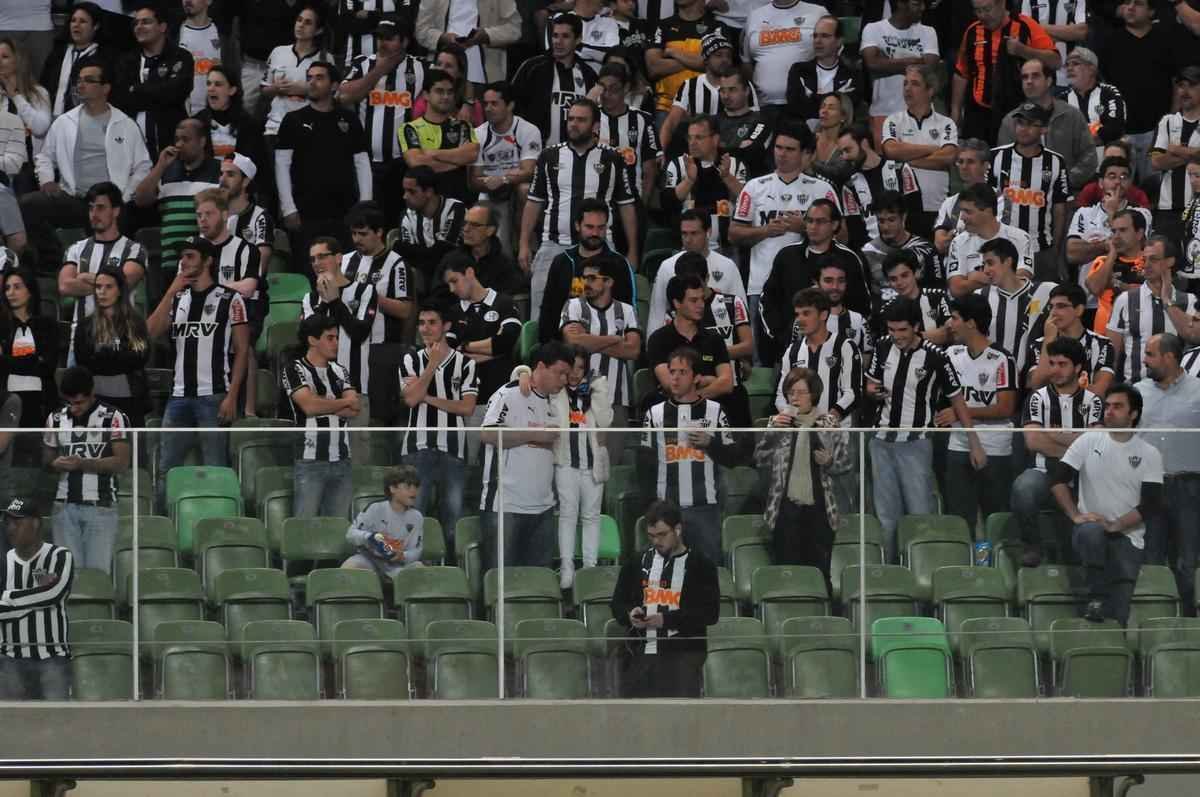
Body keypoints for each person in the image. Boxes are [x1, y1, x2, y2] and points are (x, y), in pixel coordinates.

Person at [867, 297, 981, 562]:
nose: (896, 336)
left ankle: (922, 570)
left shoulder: (936, 356)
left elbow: (957, 400)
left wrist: (974, 442)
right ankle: (890, 570)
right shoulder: (882, 346)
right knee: (886, 515)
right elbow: (870, 384)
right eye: (892, 330)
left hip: (916, 442)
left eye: (902, 330)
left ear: (917, 326)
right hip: (880, 441)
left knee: (920, 512)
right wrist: (873, 392)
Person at [146, 236, 249, 513]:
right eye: (182, 256)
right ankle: (164, 523)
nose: (183, 262)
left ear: (208, 261)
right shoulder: (177, 298)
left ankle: (218, 523)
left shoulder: (230, 299)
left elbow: (242, 351)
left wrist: (232, 396)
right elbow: (149, 333)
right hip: (178, 396)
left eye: (190, 256)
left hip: (213, 396)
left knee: (216, 468)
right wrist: (170, 292)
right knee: (167, 469)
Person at [1051, 383, 1162, 625]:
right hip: (1090, 529)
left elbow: (1151, 504)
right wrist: (1075, 516)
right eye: (1108, 406)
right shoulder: (1088, 441)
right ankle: (1096, 598)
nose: (1109, 411)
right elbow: (1058, 480)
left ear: (1133, 414)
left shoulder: (1150, 453)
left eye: (1117, 406)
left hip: (1129, 536)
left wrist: (1116, 524)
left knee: (1119, 615)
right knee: (1092, 532)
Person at [24, 59, 149, 268]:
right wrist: (46, 180)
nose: (81, 85)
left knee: (117, 228)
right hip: (73, 198)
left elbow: (143, 166)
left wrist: (125, 196)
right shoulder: (64, 121)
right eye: (79, 80)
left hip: (111, 201)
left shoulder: (126, 124)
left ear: (105, 88)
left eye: (89, 80)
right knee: (28, 205)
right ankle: (54, 262)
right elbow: (45, 156)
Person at [521, 98, 637, 322]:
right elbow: (534, 202)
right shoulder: (548, 156)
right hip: (553, 245)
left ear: (596, 126)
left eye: (581, 120)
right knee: (542, 315)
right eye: (571, 119)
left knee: (595, 314)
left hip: (599, 249)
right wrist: (524, 243)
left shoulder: (612, 158)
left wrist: (632, 250)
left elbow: (626, 205)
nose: (574, 124)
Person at [729, 123, 840, 355]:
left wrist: (805, 228)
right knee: (764, 357)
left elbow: (843, 235)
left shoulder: (822, 189)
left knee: (816, 353)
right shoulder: (754, 187)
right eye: (778, 147)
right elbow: (734, 233)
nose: (782, 154)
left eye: (789, 149)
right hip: (762, 285)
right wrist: (765, 231)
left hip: (810, 286)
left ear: (805, 153)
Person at [610, 497, 720, 699]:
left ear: (677, 530)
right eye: (651, 536)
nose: (656, 541)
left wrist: (665, 620)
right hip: (640, 655)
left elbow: (710, 613)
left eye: (662, 535)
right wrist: (630, 614)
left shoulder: (701, 565)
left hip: (684, 655)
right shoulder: (636, 562)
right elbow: (617, 603)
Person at [640, 346, 739, 565]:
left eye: (682, 372)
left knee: (707, 569)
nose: (674, 378)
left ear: (697, 377)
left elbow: (733, 457)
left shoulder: (716, 411)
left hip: (705, 508)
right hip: (666, 509)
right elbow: (645, 465)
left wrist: (710, 443)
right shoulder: (654, 414)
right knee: (666, 570)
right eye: (672, 371)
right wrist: (651, 507)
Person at [478, 341, 572, 572]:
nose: (564, 380)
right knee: (500, 579)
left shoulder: (559, 402)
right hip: (505, 505)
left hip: (544, 507)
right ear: (540, 367)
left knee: (538, 582)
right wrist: (534, 434)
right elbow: (487, 433)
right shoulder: (509, 394)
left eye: (567, 375)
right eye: (559, 373)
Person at [1013, 336, 1104, 568]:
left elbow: (1096, 444)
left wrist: (1054, 434)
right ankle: (1032, 545)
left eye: (1062, 364)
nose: (1055, 370)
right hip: (1043, 471)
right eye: (1051, 363)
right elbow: (1034, 441)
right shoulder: (1037, 398)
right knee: (1024, 488)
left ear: (1078, 367)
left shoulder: (1093, 401)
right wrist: (1076, 441)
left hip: (1082, 475)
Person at [399, 301, 478, 561]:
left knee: (453, 518)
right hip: (417, 448)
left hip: (453, 449)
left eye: (432, 323)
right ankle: (410, 570)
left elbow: (467, 407)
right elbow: (411, 400)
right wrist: (432, 366)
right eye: (421, 323)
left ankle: (452, 571)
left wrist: (427, 397)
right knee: (413, 516)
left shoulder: (465, 364)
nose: (425, 328)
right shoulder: (411, 359)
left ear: (446, 326)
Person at [276, 60, 372, 274]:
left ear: (334, 85)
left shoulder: (349, 120)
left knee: (345, 270)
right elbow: (281, 166)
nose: (312, 82)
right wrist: (288, 208)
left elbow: (362, 162)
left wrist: (365, 204)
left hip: (344, 211)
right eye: (309, 78)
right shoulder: (293, 120)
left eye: (319, 78)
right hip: (306, 211)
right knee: (309, 270)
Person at [757, 366, 847, 580]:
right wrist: (772, 431)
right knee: (787, 574)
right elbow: (760, 459)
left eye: (801, 392)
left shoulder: (828, 423)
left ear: (813, 394)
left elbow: (845, 464)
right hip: (785, 510)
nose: (794, 398)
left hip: (820, 510)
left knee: (819, 574)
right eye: (790, 393)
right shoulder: (778, 423)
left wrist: (829, 462)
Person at [942, 294, 1018, 536]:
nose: (950, 324)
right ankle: (966, 560)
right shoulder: (952, 354)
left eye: (955, 318)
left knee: (994, 516)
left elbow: (1005, 408)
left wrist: (960, 412)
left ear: (971, 323)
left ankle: (993, 559)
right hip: (958, 443)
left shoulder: (1002, 358)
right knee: (958, 517)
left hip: (994, 446)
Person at [337, 14, 424, 225]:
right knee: (368, 220)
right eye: (380, 37)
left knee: (400, 221)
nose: (382, 43)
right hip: (367, 162)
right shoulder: (363, 63)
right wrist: (378, 71)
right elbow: (344, 95)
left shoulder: (421, 67)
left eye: (389, 38)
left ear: (405, 41)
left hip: (403, 163)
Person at [757, 200, 870, 363]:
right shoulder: (786, 256)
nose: (813, 226)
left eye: (820, 221)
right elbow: (767, 301)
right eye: (809, 221)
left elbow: (863, 304)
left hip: (840, 352)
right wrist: (781, 336)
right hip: (791, 351)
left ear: (834, 224)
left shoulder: (849, 259)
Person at [42, 365, 130, 574]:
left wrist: (82, 464)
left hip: (101, 506)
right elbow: (46, 460)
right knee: (67, 576)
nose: (74, 408)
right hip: (63, 506)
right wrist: (54, 464)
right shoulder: (55, 418)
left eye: (79, 403)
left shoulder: (114, 417)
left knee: (97, 576)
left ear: (92, 393)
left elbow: (122, 463)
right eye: (69, 403)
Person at [1135, 333, 1200, 614]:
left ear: (1170, 357)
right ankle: (1155, 619)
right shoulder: (1137, 392)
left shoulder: (1199, 391)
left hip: (1190, 485)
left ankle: (1190, 620)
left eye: (1150, 354)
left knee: (1188, 559)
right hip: (1149, 486)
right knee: (1151, 558)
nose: (1144, 360)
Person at [1097, 0, 1192, 185]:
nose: (1130, 7)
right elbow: (1103, 87)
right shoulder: (1110, 42)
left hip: (1157, 132)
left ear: (1151, 11)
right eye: (1127, 3)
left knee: (1157, 185)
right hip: (1122, 133)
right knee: (1119, 187)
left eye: (1138, 3)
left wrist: (1171, 119)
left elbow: (1176, 83)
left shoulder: (1165, 40)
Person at [561, 254, 642, 461]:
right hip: (578, 396)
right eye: (583, 278)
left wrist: (589, 339)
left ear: (608, 282)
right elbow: (573, 342)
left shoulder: (626, 310)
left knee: (610, 464)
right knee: (578, 460)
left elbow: (633, 351)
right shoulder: (574, 305)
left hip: (617, 398)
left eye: (592, 278)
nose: (585, 283)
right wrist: (614, 339)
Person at [443, 253, 521, 461]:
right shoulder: (454, 312)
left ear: (469, 273)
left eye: (454, 281)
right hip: (469, 399)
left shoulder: (503, 302)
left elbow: (507, 340)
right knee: (469, 463)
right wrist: (493, 350)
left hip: (502, 397)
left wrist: (467, 345)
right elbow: (449, 352)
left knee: (502, 461)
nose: (452, 289)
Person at [58, 182, 146, 367]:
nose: (94, 214)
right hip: (80, 342)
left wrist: (84, 278)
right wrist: (110, 283)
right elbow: (65, 286)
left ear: (116, 211)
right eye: (91, 208)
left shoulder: (134, 249)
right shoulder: (76, 249)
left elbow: (125, 281)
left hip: (120, 342)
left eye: (100, 207)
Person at [195, 188, 265, 417]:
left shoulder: (246, 249)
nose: (203, 220)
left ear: (224, 215)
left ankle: (248, 411)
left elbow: (249, 286)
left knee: (242, 342)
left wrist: (211, 290)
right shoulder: (192, 249)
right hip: (202, 313)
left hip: (240, 311)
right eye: (199, 215)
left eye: (209, 214)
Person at [302, 234, 377, 446]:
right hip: (318, 393)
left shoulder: (365, 290)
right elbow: (309, 337)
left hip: (355, 389)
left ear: (338, 258)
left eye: (322, 256)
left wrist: (335, 301)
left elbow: (359, 333)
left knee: (358, 458)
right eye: (312, 259)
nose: (316, 263)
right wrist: (324, 302)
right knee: (322, 456)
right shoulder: (310, 299)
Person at [282, 314, 359, 519]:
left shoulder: (340, 370)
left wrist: (321, 402)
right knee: (304, 526)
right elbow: (309, 407)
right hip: (310, 461)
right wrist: (341, 402)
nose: (336, 343)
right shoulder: (294, 369)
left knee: (338, 527)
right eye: (330, 338)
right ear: (312, 340)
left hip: (343, 460)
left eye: (337, 338)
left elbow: (354, 408)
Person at [950, 0, 1059, 144]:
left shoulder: (1025, 25)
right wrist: (956, 110)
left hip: (1018, 113)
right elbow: (961, 73)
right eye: (977, 10)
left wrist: (1023, 50)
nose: (982, 15)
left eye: (987, 9)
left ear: (1002, 3)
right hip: (978, 112)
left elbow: (1055, 61)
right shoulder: (972, 31)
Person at [549, 345, 613, 588]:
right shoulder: (556, 391)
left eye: (580, 368)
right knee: (567, 515)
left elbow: (605, 420)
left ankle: (589, 570)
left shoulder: (596, 389)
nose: (575, 374)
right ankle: (567, 568)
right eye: (571, 368)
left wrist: (597, 393)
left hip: (593, 463)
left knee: (591, 517)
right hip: (566, 463)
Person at [0, 496, 73, 701]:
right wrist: (40, 597)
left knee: (57, 718)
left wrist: (8, 596)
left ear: (35, 523)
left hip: (52, 657)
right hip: (10, 658)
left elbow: (54, 593)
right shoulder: (3, 560)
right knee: (11, 719)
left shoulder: (59, 555)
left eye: (17, 522)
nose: (11, 528)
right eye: (8, 523)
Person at [990, 102, 1071, 281]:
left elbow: (1060, 210)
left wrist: (1056, 249)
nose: (1023, 129)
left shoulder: (1056, 162)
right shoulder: (996, 156)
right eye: (1020, 123)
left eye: (1030, 124)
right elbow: (986, 203)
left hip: (1040, 249)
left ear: (1044, 129)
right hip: (1001, 247)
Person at [132, 118, 221, 279]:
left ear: (202, 142)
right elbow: (140, 199)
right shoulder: (166, 172)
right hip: (170, 263)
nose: (179, 145)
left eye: (185, 139)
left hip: (205, 264)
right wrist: (160, 165)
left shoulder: (218, 170)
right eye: (177, 139)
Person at [1107, 236, 1200, 384]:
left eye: (1154, 259)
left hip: (1178, 390)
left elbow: (1194, 337)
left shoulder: (1190, 301)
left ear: (1170, 261)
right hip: (1136, 390)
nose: (1147, 265)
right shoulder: (1125, 300)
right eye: (1144, 259)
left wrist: (1167, 300)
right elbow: (1112, 355)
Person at [995, 61, 1096, 195]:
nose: (1029, 81)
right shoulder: (1010, 121)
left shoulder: (1072, 115)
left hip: (1068, 196)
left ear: (1049, 81)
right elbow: (1004, 164)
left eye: (1035, 76)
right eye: (1025, 77)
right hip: (1024, 197)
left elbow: (1089, 156)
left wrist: (1063, 182)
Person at [881, 64, 958, 237]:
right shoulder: (893, 120)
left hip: (937, 206)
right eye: (905, 83)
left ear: (930, 90)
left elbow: (948, 156)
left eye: (915, 84)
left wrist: (906, 161)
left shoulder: (946, 123)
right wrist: (933, 149)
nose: (907, 88)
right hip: (903, 208)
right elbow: (891, 150)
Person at [71, 267, 151, 428]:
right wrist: (118, 357)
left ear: (120, 290)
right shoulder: (85, 326)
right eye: (98, 287)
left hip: (130, 401)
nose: (102, 292)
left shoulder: (135, 323)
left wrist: (103, 356)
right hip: (95, 401)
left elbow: (139, 358)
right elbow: (83, 362)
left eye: (109, 287)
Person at [112, 4, 193, 161]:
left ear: (162, 27)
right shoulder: (126, 61)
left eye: (146, 22)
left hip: (172, 144)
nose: (139, 27)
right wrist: (159, 90)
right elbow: (121, 99)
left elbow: (175, 93)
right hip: (132, 148)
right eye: (136, 23)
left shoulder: (181, 57)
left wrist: (136, 89)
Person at [469, 80, 540, 254]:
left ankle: (526, 244)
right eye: (486, 104)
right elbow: (474, 180)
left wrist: (503, 179)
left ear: (510, 105)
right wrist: (489, 183)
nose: (488, 108)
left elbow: (529, 171)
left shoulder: (528, 130)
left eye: (494, 103)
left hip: (516, 188)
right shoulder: (478, 134)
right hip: (490, 192)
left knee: (524, 189)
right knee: (499, 245)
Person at [645, 274, 734, 413]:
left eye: (702, 299)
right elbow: (671, 385)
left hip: (710, 411)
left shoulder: (714, 339)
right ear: (677, 303)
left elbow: (727, 383)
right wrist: (709, 380)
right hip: (671, 413)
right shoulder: (659, 339)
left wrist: (694, 398)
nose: (701, 305)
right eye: (694, 300)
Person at [975, 237, 1057, 384]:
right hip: (992, 382)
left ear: (1008, 261)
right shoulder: (980, 297)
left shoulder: (1047, 291)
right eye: (984, 265)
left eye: (990, 263)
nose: (985, 270)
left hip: (1033, 382)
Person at [647, 211, 745, 333]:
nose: (688, 240)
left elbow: (740, 310)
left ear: (708, 232)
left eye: (694, 233)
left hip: (722, 336)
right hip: (680, 339)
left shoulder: (727, 266)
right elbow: (657, 314)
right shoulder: (667, 267)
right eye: (684, 234)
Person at [660, 114, 745, 253]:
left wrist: (727, 177)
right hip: (686, 248)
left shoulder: (733, 163)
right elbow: (667, 203)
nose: (692, 143)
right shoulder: (678, 164)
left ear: (715, 139)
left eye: (699, 138)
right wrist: (689, 181)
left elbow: (748, 200)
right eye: (690, 137)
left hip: (727, 247)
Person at [510, 14, 597, 149]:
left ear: (578, 39)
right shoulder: (532, 68)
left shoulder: (588, 74)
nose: (558, 41)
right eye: (555, 36)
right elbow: (512, 105)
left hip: (576, 153)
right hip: (536, 150)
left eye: (565, 36)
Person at [860, 0, 939, 144]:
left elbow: (929, 67)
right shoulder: (873, 29)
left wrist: (886, 62)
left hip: (920, 112)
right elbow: (872, 64)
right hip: (883, 111)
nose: (922, 8)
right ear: (901, 4)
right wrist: (914, 60)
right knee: (884, 158)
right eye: (916, 4)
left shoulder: (928, 32)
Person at [1, 267, 56, 467]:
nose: (11, 292)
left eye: (17, 287)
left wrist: (8, 360)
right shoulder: (2, 326)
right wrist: (33, 360)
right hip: (7, 402)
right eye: (7, 288)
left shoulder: (47, 325)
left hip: (41, 402)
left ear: (30, 290)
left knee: (36, 462)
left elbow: (47, 366)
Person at [399, 69, 479, 204]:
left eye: (450, 92)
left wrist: (432, 154)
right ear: (426, 95)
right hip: (426, 204)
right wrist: (458, 161)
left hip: (459, 203)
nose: (446, 96)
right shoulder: (409, 128)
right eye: (439, 91)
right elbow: (417, 163)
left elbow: (472, 154)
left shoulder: (463, 126)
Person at [838, 125, 923, 252]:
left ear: (864, 144)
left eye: (848, 150)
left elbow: (916, 214)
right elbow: (855, 230)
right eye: (841, 152)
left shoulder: (900, 169)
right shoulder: (849, 185)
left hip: (907, 250)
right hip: (872, 254)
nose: (844, 157)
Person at [945, 183, 1035, 300]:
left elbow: (1022, 279)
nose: (962, 217)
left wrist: (976, 278)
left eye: (968, 212)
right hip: (972, 308)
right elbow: (956, 289)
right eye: (962, 211)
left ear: (987, 211)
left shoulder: (1021, 238)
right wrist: (1002, 276)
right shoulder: (958, 242)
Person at [1026, 283, 1116, 398]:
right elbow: (1037, 385)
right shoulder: (1039, 344)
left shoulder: (1103, 344)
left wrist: (1060, 390)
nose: (1053, 313)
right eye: (1051, 307)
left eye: (1061, 306)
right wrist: (1048, 339)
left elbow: (1099, 392)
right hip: (1048, 408)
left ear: (1079, 310)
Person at [741, 0, 827, 121]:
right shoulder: (754, 16)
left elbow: (831, 55)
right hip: (764, 106)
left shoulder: (818, 13)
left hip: (807, 103)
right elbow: (746, 62)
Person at [1067, 158, 1153, 277]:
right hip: (1089, 282)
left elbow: (1129, 248)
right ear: (1101, 183)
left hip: (1129, 280)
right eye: (1112, 177)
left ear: (1129, 183)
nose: (1118, 181)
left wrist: (1111, 213)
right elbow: (1072, 254)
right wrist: (1105, 245)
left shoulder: (1142, 213)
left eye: (1123, 177)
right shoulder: (1084, 213)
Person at [643, 0, 724, 123]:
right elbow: (654, 67)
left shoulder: (717, 27)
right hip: (667, 108)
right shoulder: (661, 26)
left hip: (707, 108)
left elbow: (718, 65)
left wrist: (673, 53)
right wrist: (697, 61)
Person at [658, 30, 738, 155]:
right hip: (698, 152)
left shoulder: (741, 84)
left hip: (731, 150)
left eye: (728, 56)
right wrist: (660, 152)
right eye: (719, 55)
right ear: (706, 60)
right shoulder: (690, 85)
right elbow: (671, 122)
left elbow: (752, 119)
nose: (725, 60)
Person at [262, 5, 332, 144]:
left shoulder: (325, 58)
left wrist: (306, 89)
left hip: (310, 127)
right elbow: (264, 90)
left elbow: (332, 95)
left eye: (308, 22)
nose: (301, 25)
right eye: (299, 20)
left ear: (318, 30)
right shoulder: (278, 52)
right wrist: (276, 88)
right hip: (275, 126)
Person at [413, 0, 522, 89]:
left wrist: (487, 35)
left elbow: (514, 29)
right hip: (442, 73)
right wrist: (442, 38)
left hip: (486, 77)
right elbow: (421, 31)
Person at [342, 465, 425, 581]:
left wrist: (403, 556)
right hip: (370, 561)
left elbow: (416, 550)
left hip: (398, 567)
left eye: (416, 486)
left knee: (419, 568)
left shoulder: (417, 517)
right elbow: (350, 534)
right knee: (350, 565)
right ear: (392, 488)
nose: (413, 491)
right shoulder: (375, 509)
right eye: (408, 486)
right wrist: (369, 537)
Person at [596, 63, 661, 208]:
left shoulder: (644, 119)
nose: (607, 95)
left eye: (613, 89)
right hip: (596, 200)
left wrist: (642, 207)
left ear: (626, 88)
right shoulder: (591, 117)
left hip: (632, 200)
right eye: (602, 88)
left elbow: (650, 169)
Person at [1149, 67, 1200, 246]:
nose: (1185, 91)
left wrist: (1176, 150)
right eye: (1181, 86)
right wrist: (1194, 153)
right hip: (1168, 210)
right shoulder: (1166, 122)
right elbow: (1156, 161)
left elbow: (1164, 157)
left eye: (1191, 85)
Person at [785, 15, 861, 134]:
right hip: (804, 136)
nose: (818, 41)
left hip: (841, 136)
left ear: (839, 41)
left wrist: (811, 98)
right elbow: (796, 107)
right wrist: (834, 102)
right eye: (815, 36)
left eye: (825, 36)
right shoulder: (799, 70)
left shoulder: (853, 74)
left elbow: (848, 109)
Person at [860, 190, 937, 304]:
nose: (885, 227)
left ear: (903, 217)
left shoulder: (926, 249)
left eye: (891, 220)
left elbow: (937, 288)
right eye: (881, 221)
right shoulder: (867, 252)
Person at [432, 204, 523, 300]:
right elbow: (437, 296)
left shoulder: (505, 266)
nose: (466, 229)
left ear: (490, 230)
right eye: (465, 223)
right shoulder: (451, 260)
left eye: (474, 225)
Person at [395, 165, 466, 284]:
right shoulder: (407, 215)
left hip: (455, 279)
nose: (405, 196)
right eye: (404, 191)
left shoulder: (455, 209)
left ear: (429, 192)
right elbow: (404, 255)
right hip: (423, 280)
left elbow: (445, 254)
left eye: (411, 191)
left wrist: (417, 252)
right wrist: (432, 252)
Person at [1084, 208, 1148, 337]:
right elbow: (1095, 288)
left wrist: (1115, 284)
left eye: (1123, 230)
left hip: (1140, 336)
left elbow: (1152, 293)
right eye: (1114, 231)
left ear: (1139, 234)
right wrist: (1112, 254)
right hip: (1104, 337)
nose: (1116, 237)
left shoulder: (1151, 261)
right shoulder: (1103, 261)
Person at [40, 2, 108, 118]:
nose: (76, 25)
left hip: (86, 119)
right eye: (73, 20)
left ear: (95, 26)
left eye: (83, 21)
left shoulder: (104, 57)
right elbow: (44, 84)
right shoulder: (58, 53)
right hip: (51, 118)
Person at [193, 66, 266, 173]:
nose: (211, 88)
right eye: (208, 84)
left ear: (232, 90)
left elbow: (258, 167)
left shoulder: (249, 125)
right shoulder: (197, 122)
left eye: (218, 84)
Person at [1062, 47, 1125, 167]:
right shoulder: (1061, 100)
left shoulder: (1109, 93)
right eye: (1067, 65)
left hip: (1106, 164)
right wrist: (1096, 132)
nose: (1069, 68)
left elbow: (1114, 128)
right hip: (1073, 166)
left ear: (1092, 69)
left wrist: (1077, 139)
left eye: (1075, 63)